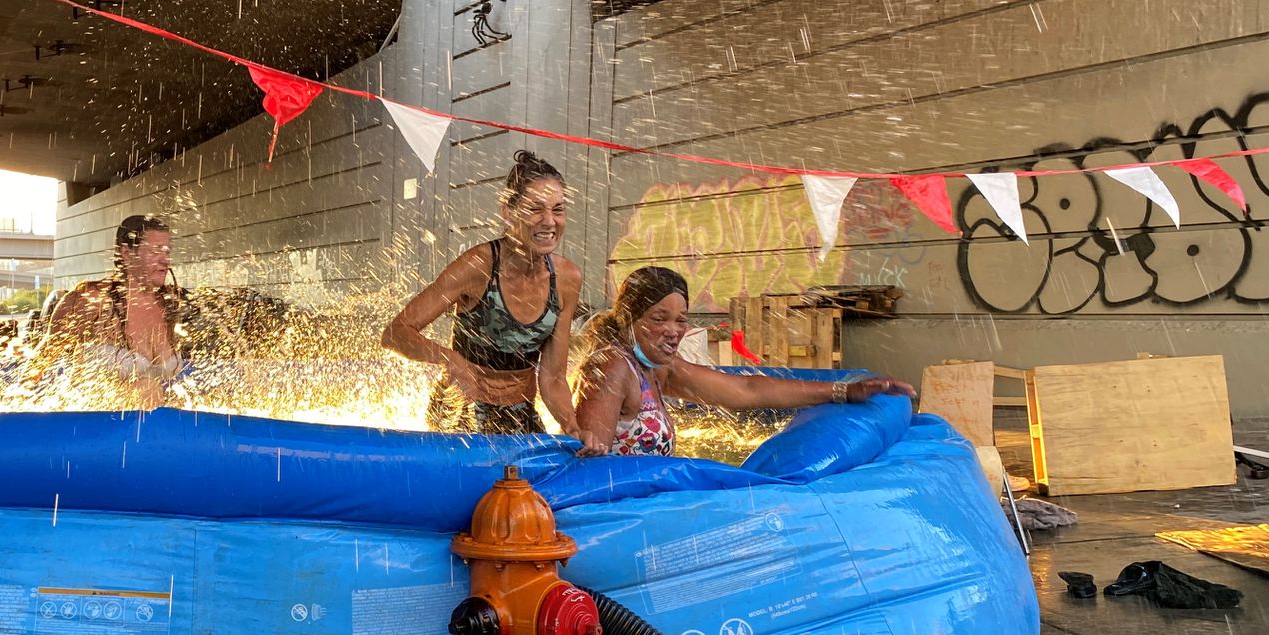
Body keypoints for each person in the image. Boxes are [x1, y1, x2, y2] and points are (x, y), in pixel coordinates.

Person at [575, 266, 916, 456]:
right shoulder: (611, 368)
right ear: (627, 320)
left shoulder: (659, 369)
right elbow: (591, 465)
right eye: (658, 318)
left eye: (681, 320)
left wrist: (843, 391)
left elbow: (747, 389)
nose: (673, 331)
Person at [382, 151, 584, 436]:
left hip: (519, 416)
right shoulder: (477, 267)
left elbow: (551, 378)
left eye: (558, 209)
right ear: (508, 211)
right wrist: (451, 360)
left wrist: (573, 427)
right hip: (460, 414)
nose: (549, 221)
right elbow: (396, 333)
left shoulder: (566, 279)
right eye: (535, 208)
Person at [43, 215, 193, 397]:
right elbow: (40, 363)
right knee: (146, 390)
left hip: (156, 421)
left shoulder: (171, 305)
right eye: (155, 251)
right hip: (98, 421)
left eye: (167, 251)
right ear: (127, 253)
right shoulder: (90, 300)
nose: (165, 260)